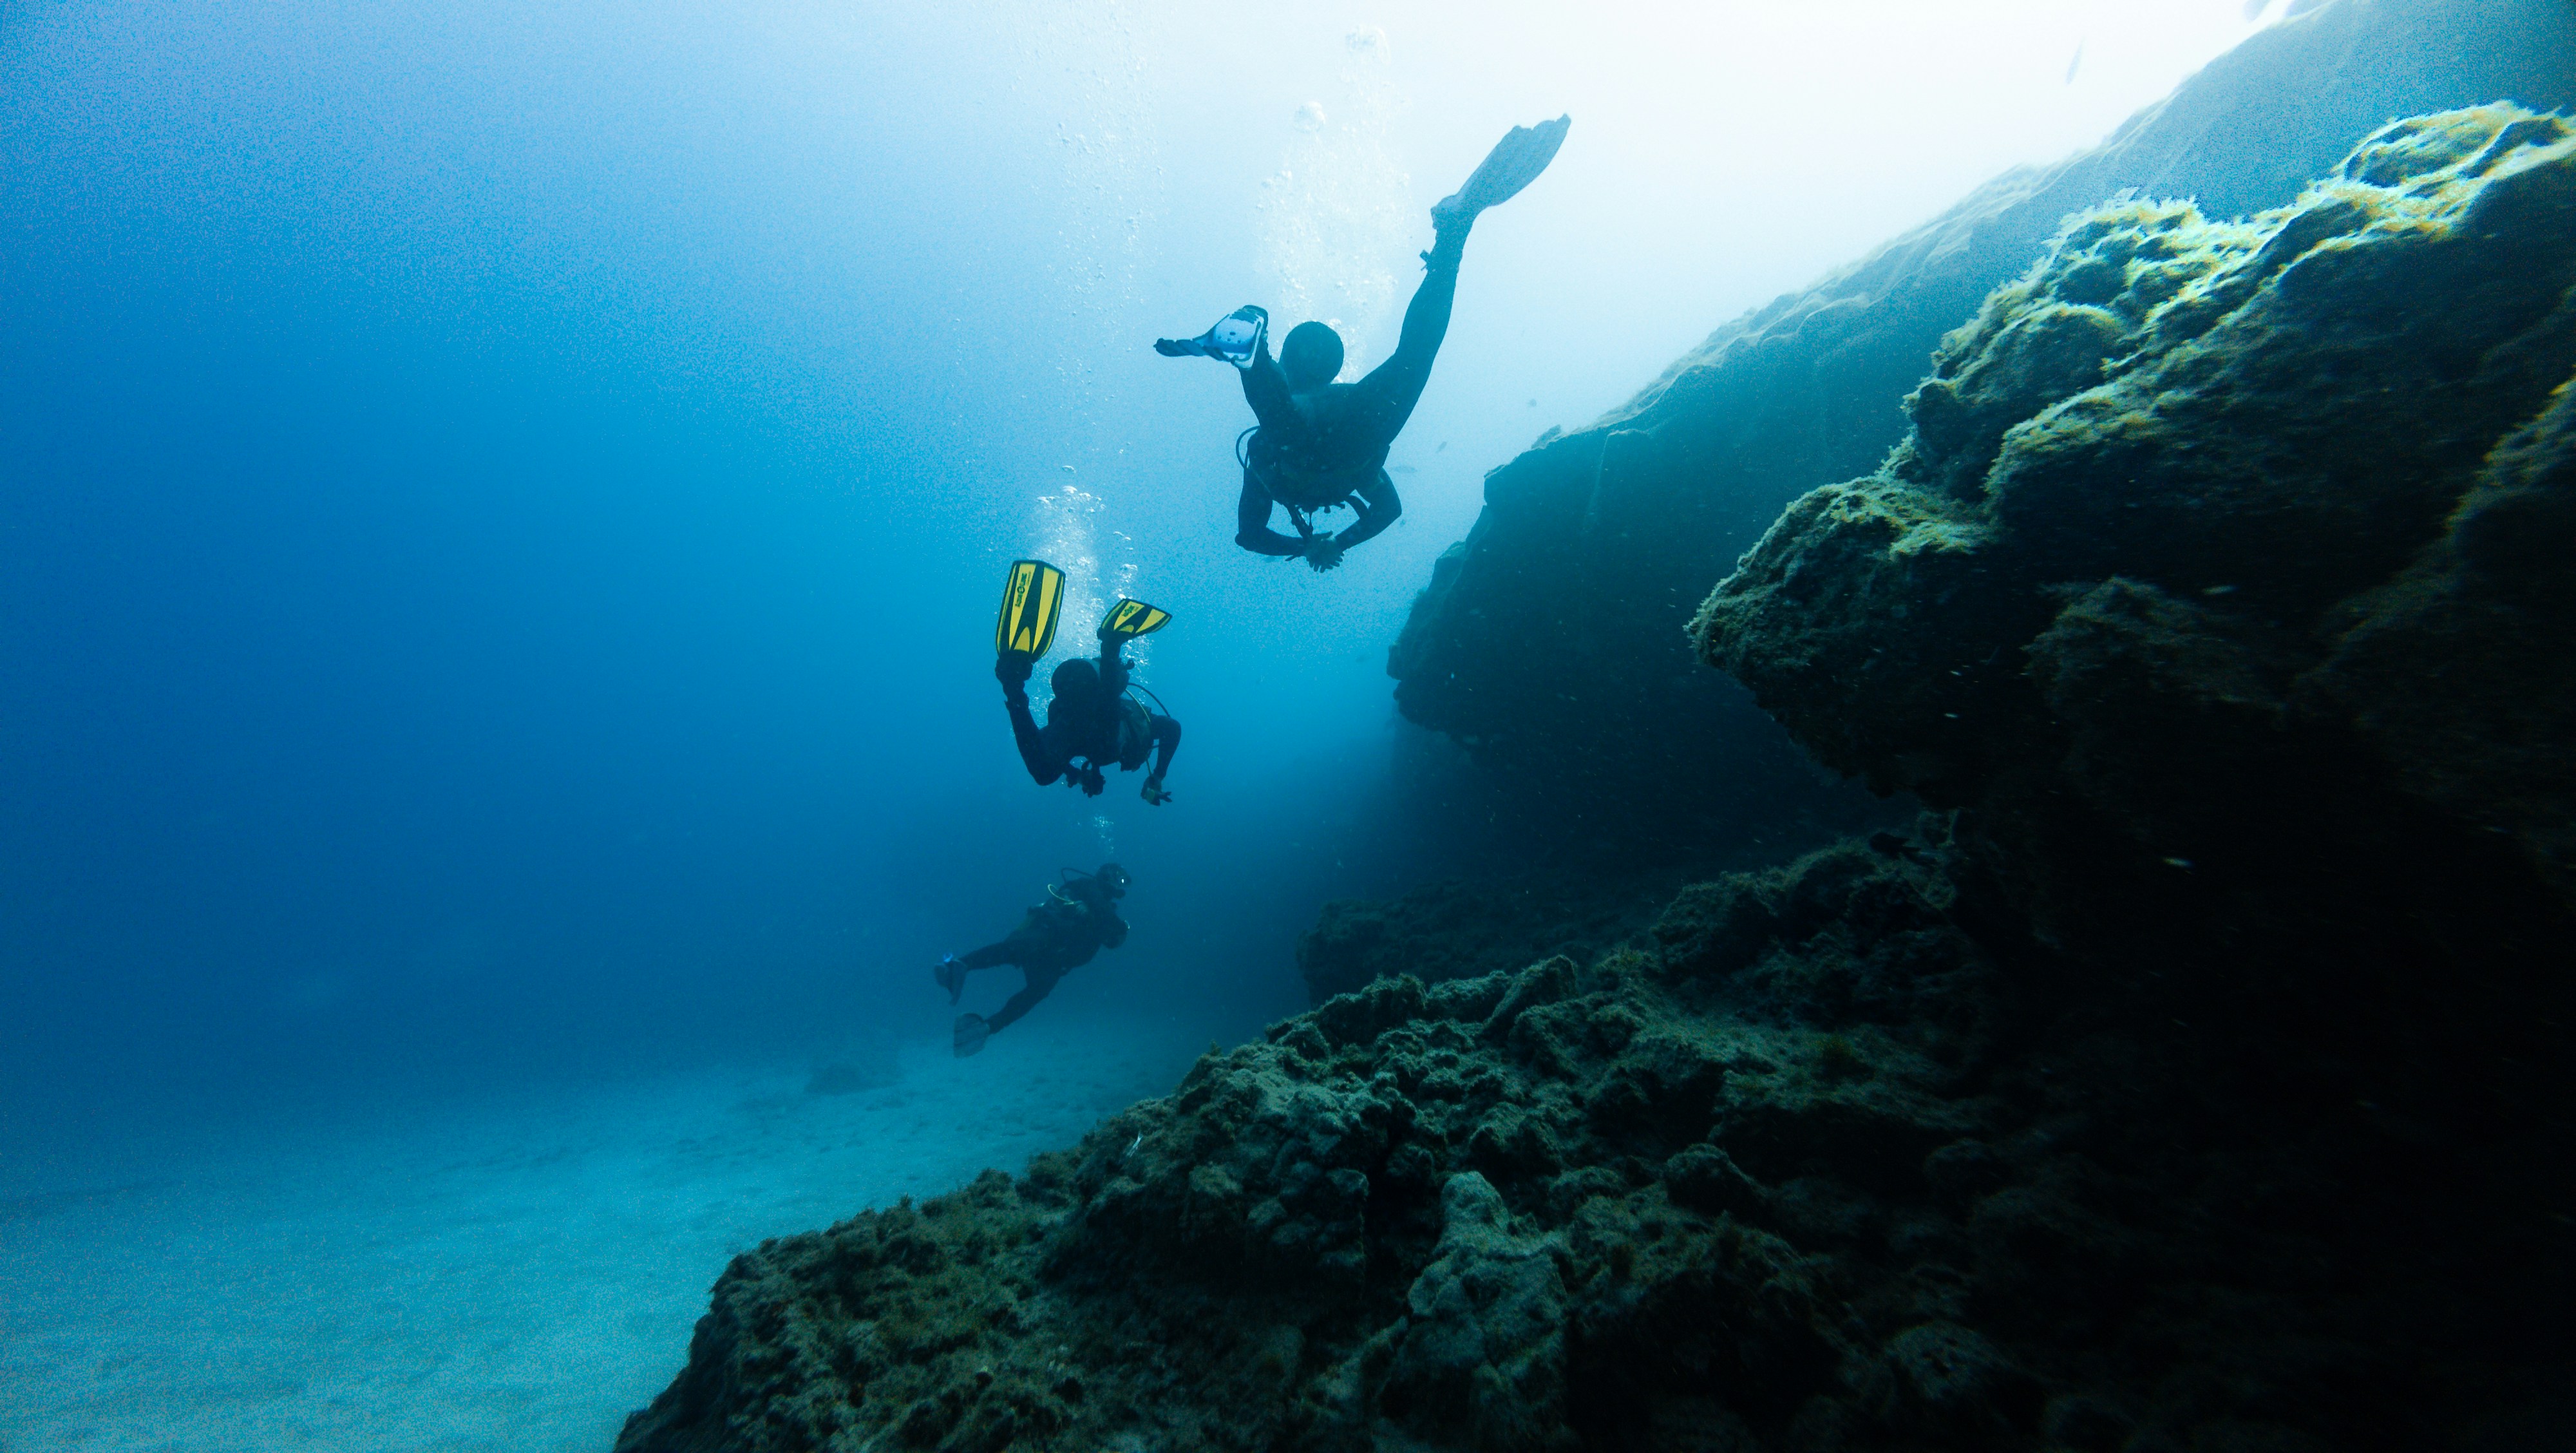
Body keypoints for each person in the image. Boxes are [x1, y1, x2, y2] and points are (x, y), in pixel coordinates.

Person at [1157, 116, 1569, 571]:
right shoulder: (1332, 431)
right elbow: (1385, 511)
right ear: (1331, 370)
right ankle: (1453, 232)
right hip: (1352, 425)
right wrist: (1331, 544)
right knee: (1414, 355)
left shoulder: (1264, 457)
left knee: (1405, 359)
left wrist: (1314, 546)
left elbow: (1250, 535)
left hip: (1327, 433)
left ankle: (1254, 338)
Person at [938, 864, 1131, 1055]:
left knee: (1033, 991)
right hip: (1046, 940)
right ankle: (958, 966)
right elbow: (1108, 918)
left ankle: (987, 1027)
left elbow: (1112, 941)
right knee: (1013, 952)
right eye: (1119, 880)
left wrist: (1109, 925)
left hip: (1055, 961)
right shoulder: (1088, 887)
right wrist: (1121, 927)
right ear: (1107, 877)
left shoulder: (1103, 910)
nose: (1120, 887)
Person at [998, 616, 1180, 804]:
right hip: (1086, 707)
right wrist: (1158, 776)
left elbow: (1047, 745)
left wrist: (1079, 776)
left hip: (1073, 714)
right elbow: (1173, 728)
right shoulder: (1143, 722)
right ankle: (1111, 648)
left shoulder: (1093, 735)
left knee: (1044, 772)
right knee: (1107, 742)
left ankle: (1014, 688)